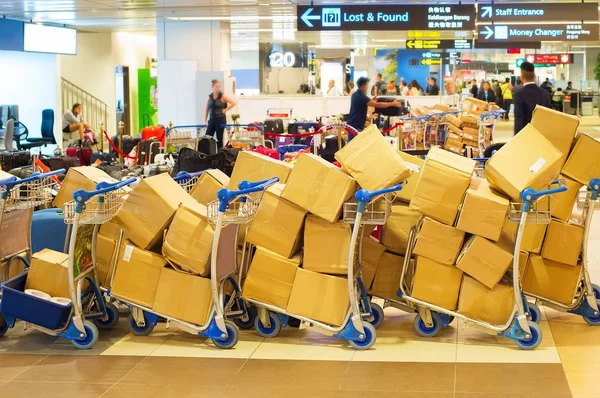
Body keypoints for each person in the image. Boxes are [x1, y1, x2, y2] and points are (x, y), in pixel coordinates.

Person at [347, 77, 401, 141]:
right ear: (364, 85)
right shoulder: (361, 96)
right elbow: (377, 105)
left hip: (352, 123)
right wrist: (392, 103)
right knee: (355, 145)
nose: (367, 87)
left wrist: (372, 100)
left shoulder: (355, 94)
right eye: (367, 85)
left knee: (351, 144)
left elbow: (364, 103)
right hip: (356, 125)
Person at [513, 62, 550, 135]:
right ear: (534, 76)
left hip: (526, 135)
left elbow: (519, 119)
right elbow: (548, 117)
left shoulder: (519, 94)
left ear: (522, 76)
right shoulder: (545, 93)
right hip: (542, 135)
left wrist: (516, 139)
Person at [205, 79, 237, 148]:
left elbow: (233, 103)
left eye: (219, 86)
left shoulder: (223, 96)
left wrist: (226, 109)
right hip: (212, 119)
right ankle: (207, 154)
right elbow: (207, 109)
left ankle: (219, 154)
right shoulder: (209, 97)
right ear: (213, 87)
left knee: (219, 138)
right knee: (207, 137)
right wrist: (205, 121)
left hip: (220, 119)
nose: (218, 88)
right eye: (216, 86)